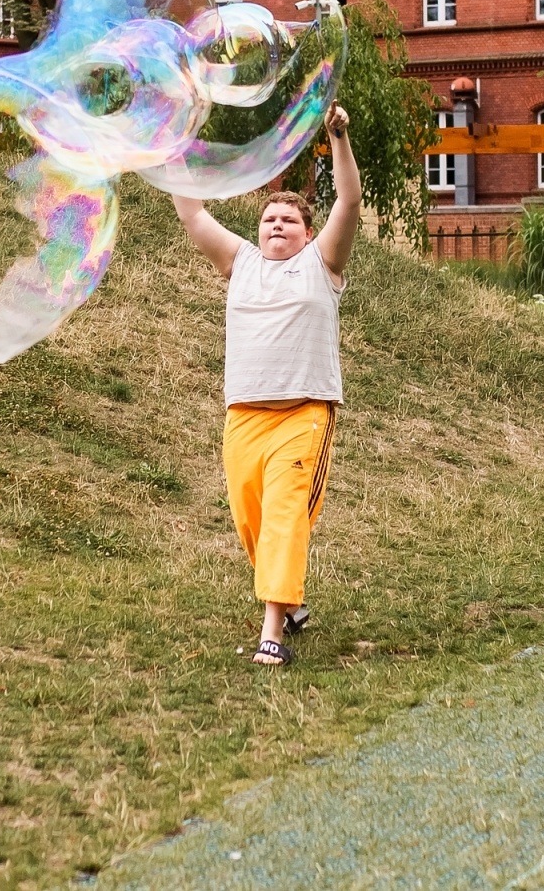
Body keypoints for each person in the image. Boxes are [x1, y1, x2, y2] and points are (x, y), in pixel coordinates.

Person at [172, 104, 361, 667]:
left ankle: (272, 630)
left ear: (307, 234)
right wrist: (176, 141)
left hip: (303, 415)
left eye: (289, 221)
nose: (277, 226)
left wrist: (339, 138)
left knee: (283, 515)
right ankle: (290, 599)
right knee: (251, 520)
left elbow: (349, 202)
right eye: (268, 219)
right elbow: (191, 213)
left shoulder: (322, 264)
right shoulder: (240, 262)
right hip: (244, 417)